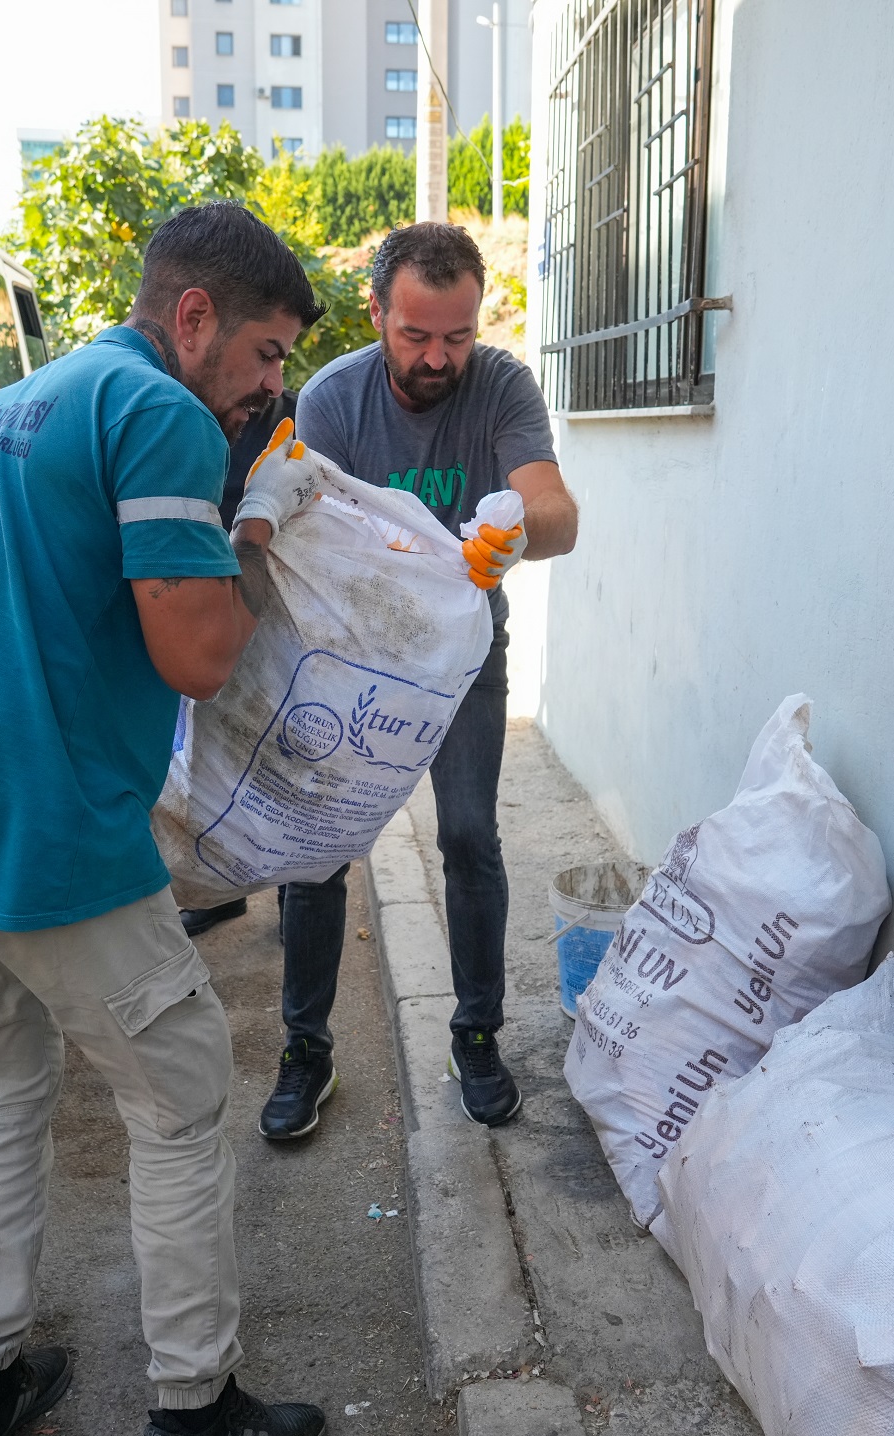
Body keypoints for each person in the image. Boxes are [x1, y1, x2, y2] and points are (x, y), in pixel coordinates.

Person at [0, 201, 332, 1436]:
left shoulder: (18, 399)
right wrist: (256, 520)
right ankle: (193, 1411)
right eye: (267, 356)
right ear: (195, 316)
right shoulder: (156, 406)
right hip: (34, 818)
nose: (271, 387)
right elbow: (200, 655)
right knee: (179, 1092)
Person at [258, 221, 579, 1142]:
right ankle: (304, 1051)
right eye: (416, 336)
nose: (439, 359)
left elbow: (556, 508)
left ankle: (476, 1034)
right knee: (316, 853)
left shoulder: (503, 385)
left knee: (472, 837)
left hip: (462, 660)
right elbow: (294, 525)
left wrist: (516, 529)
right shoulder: (329, 401)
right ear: (377, 313)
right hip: (351, 658)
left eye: (458, 336)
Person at [178, 385, 301, 942]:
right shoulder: (188, 412)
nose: (270, 377)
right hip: (204, 600)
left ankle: (287, 888)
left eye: (278, 358)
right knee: (210, 752)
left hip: (275, 606)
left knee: (280, 753)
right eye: (264, 356)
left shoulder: (294, 416)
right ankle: (218, 888)